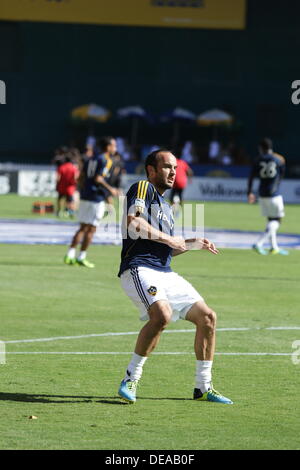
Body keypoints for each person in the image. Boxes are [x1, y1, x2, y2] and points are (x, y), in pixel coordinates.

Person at [117, 148, 233, 405]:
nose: (173, 172)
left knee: (208, 317)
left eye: (175, 168)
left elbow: (166, 250)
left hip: (163, 271)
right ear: (151, 170)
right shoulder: (142, 188)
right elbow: (133, 223)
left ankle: (203, 387)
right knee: (162, 315)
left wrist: (192, 243)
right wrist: (171, 239)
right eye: (168, 167)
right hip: (138, 268)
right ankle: (130, 378)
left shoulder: (167, 208)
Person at [64, 136, 119, 268]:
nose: (115, 148)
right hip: (96, 197)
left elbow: (82, 176)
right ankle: (81, 257)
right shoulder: (106, 160)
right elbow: (98, 178)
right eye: (114, 145)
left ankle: (70, 255)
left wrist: (81, 191)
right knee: (91, 229)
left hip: (85, 195)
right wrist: (111, 189)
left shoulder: (91, 158)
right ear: (108, 147)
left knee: (82, 227)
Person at [247, 138, 288, 256]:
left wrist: (249, 192)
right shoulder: (279, 159)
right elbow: (281, 174)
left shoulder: (257, 160)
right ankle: (259, 243)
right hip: (274, 194)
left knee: (270, 220)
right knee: (277, 221)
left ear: (261, 148)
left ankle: (274, 247)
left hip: (262, 194)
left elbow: (251, 177)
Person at [56, 154, 79, 218]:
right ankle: (70, 212)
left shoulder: (61, 167)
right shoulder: (74, 168)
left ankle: (59, 211)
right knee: (70, 200)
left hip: (62, 186)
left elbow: (58, 178)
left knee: (60, 199)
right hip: (70, 187)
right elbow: (76, 177)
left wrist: (57, 185)